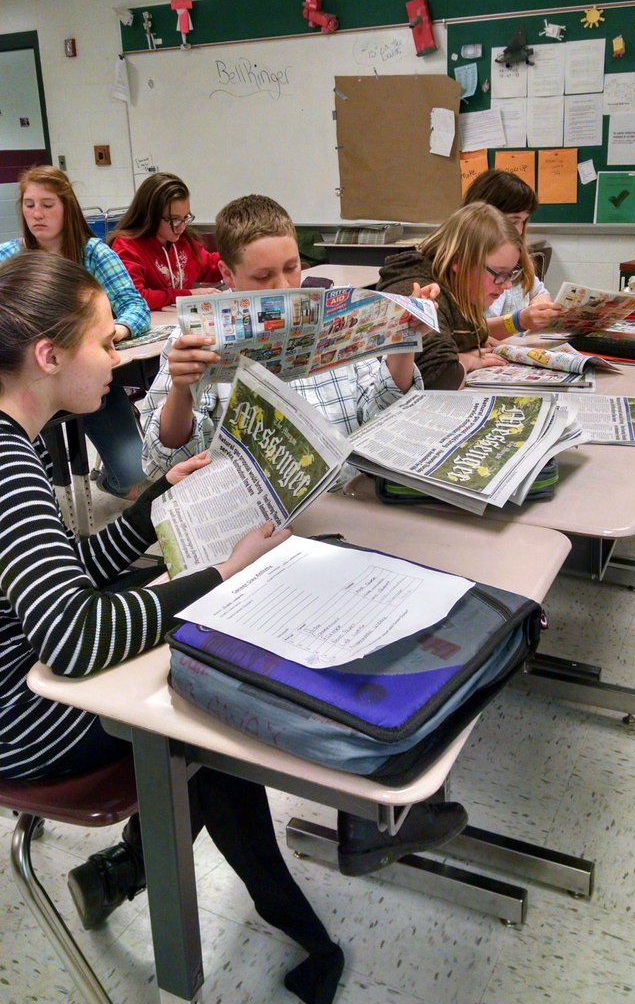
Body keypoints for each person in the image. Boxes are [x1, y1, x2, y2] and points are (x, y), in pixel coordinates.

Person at [0, 251, 345, 1004]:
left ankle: (130, 868)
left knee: (194, 671)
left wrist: (156, 508)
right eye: (105, 342)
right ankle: (295, 928)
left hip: (22, 683)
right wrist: (218, 580)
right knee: (207, 725)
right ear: (49, 356)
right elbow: (73, 636)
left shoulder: (9, 443)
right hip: (22, 724)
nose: (117, 358)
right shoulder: (9, 466)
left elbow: (63, 570)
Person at [140, 193, 468, 875]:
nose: (285, 286)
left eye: (292, 268)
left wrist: (400, 350)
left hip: (333, 523)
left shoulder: (326, 322)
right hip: (245, 541)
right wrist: (180, 390)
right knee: (346, 624)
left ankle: (376, 807)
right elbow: (161, 460)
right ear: (228, 278)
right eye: (263, 279)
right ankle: (369, 810)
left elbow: (379, 414)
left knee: (393, 605)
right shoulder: (195, 343)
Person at [0, 165, 149, 499]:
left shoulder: (93, 253)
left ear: (67, 208)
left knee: (134, 478)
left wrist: (108, 336)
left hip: (85, 376)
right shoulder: (10, 256)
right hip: (29, 384)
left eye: (47, 205)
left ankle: (108, 480)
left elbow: (135, 306)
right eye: (29, 204)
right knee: (31, 483)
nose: (36, 214)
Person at [377, 202, 525, 388]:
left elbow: (470, 338)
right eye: (499, 273)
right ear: (459, 262)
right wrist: (468, 360)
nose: (507, 284)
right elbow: (438, 378)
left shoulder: (461, 285)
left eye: (510, 273)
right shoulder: (421, 291)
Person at [463, 169, 562, 337]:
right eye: (513, 221)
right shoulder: (467, 268)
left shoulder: (518, 257)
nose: (519, 230)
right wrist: (518, 321)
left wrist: (541, 306)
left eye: (523, 221)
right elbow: (466, 333)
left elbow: (538, 291)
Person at [109, 172, 223, 309]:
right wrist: (188, 294)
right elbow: (136, 298)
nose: (182, 226)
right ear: (150, 216)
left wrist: (238, 257)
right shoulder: (127, 246)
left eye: (186, 217)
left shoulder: (182, 241)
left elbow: (209, 265)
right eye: (173, 219)